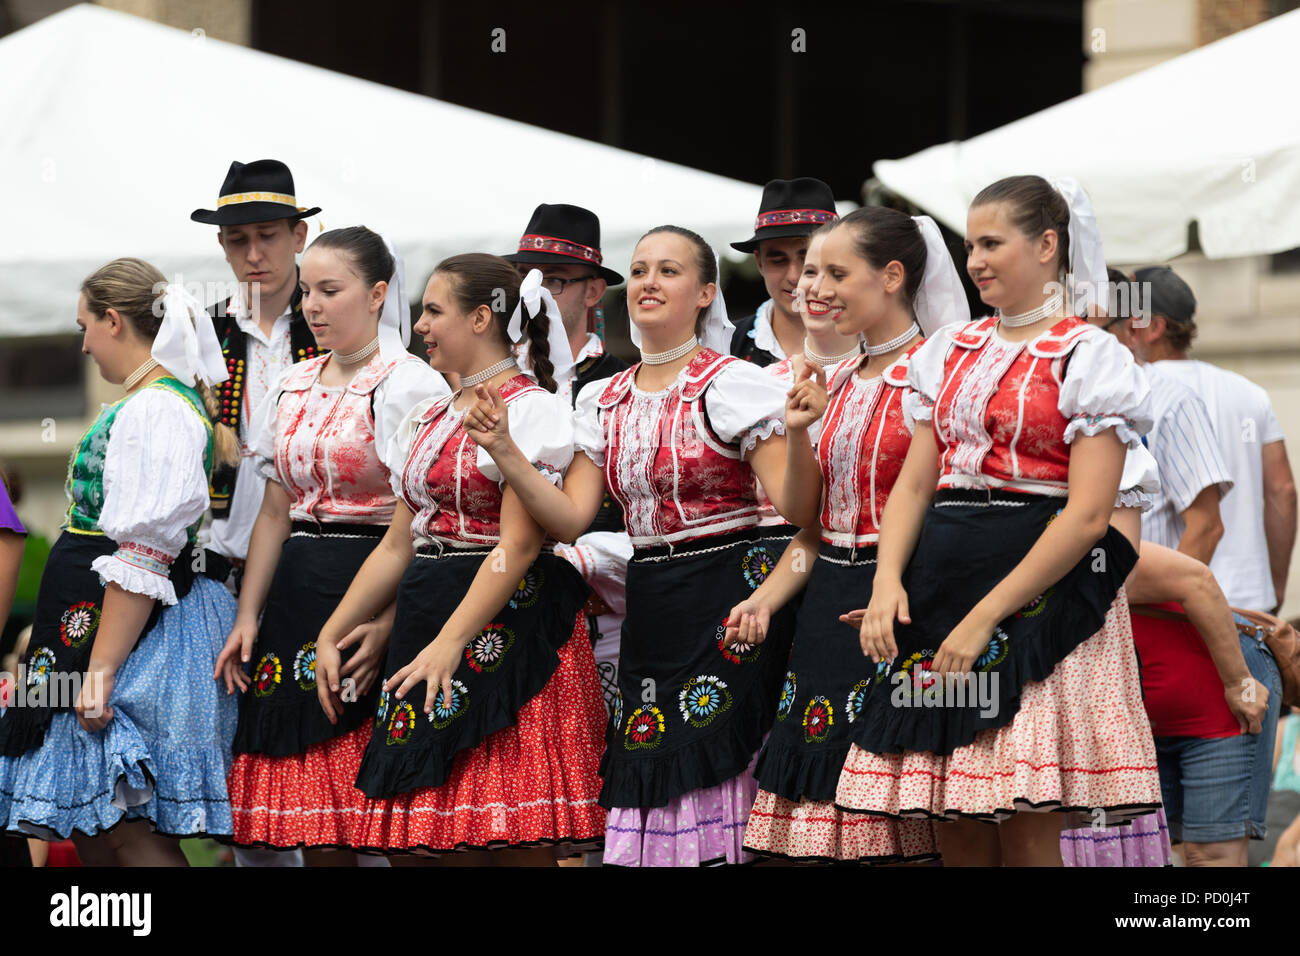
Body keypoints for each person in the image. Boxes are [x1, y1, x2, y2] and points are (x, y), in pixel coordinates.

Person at [836, 175, 1163, 866]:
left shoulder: (1089, 355)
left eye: (992, 243)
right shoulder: (949, 349)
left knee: (1023, 822)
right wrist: (887, 582)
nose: (975, 259)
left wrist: (985, 617)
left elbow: (1087, 517)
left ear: (1048, 246)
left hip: (1040, 594)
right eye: (969, 244)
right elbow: (916, 484)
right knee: (953, 817)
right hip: (942, 579)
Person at [465, 225, 807, 866]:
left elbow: (793, 509)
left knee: (714, 767)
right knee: (653, 759)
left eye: (669, 271)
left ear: (707, 293)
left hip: (730, 595)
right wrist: (506, 450)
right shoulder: (606, 396)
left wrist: (802, 432)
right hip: (654, 599)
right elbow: (570, 519)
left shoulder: (733, 384)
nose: (648, 282)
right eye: (641, 269)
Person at [319, 254, 606, 862]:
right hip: (429, 615)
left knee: (505, 840)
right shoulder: (428, 416)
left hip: (504, 625)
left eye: (433, 310)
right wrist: (333, 629)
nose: (420, 326)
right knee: (419, 840)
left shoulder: (529, 410)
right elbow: (400, 542)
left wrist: (450, 643)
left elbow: (519, 546)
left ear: (481, 319)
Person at [728, 208, 969, 863]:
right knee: (817, 834)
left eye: (837, 272)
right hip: (828, 612)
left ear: (892, 276)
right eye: (814, 272)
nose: (815, 288)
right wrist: (764, 601)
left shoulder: (940, 373)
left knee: (895, 828)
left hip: (909, 603)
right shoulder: (831, 381)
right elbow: (809, 524)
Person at [214, 227, 445, 858]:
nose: (312, 305)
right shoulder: (292, 383)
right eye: (308, 291)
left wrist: (391, 618)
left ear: (376, 295)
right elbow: (273, 512)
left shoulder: (411, 384)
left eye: (330, 290)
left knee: (379, 820)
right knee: (315, 828)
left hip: (373, 587)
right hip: (295, 593)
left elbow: (426, 522)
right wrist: (246, 614)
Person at [0, 257, 240, 864]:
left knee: (127, 825)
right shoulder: (153, 402)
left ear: (114, 321)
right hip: (98, 619)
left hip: (130, 631)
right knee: (95, 821)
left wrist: (101, 669)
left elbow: (144, 551)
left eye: (85, 327)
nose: (82, 345)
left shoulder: (155, 409)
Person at [1081, 266, 1279, 866]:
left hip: (1194, 644)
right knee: (1146, 852)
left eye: (1092, 325)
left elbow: (1206, 527)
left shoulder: (1167, 398)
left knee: (1209, 857)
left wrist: (1154, 593)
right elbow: (1282, 494)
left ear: (1133, 328)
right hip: (1124, 661)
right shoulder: (1070, 405)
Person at [504, 204, 631, 733]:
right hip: (499, 597)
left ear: (594, 291)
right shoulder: (493, 377)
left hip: (606, 607)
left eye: (553, 281)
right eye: (524, 279)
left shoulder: (623, 379)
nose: (536, 293)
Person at [1127, 265, 1296, 615]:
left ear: (1155, 327)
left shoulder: (1134, 396)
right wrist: (1273, 584)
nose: (1115, 328)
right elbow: (1283, 492)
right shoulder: (1249, 392)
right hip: (1251, 603)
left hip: (1176, 612)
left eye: (1125, 315)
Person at [729, 178, 839, 367]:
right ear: (759, 262)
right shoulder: (726, 344)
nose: (794, 277)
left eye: (807, 261)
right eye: (778, 261)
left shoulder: (870, 339)